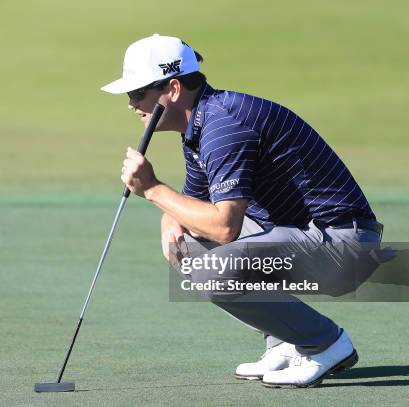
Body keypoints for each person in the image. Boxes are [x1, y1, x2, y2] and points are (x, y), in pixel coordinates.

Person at [101, 34, 386, 388]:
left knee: (212, 267)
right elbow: (192, 202)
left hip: (344, 245)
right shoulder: (204, 121)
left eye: (137, 92)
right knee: (188, 243)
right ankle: (284, 341)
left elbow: (224, 228)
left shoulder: (224, 126)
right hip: (309, 237)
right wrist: (168, 213)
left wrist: (154, 190)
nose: (131, 103)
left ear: (172, 89)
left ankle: (326, 343)